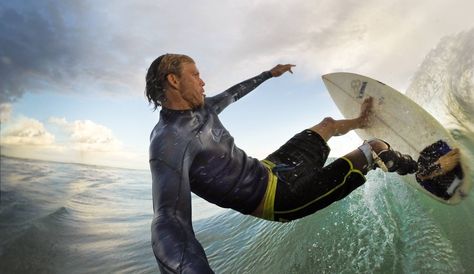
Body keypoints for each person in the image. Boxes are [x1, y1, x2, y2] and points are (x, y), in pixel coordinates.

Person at [145, 53, 427, 273]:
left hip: (272, 167)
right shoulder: (168, 143)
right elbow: (170, 219)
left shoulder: (203, 109)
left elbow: (235, 92)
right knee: (374, 149)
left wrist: (270, 73)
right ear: (173, 80)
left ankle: (360, 122)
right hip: (279, 198)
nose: (202, 82)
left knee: (326, 126)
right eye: (195, 75)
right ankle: (426, 171)